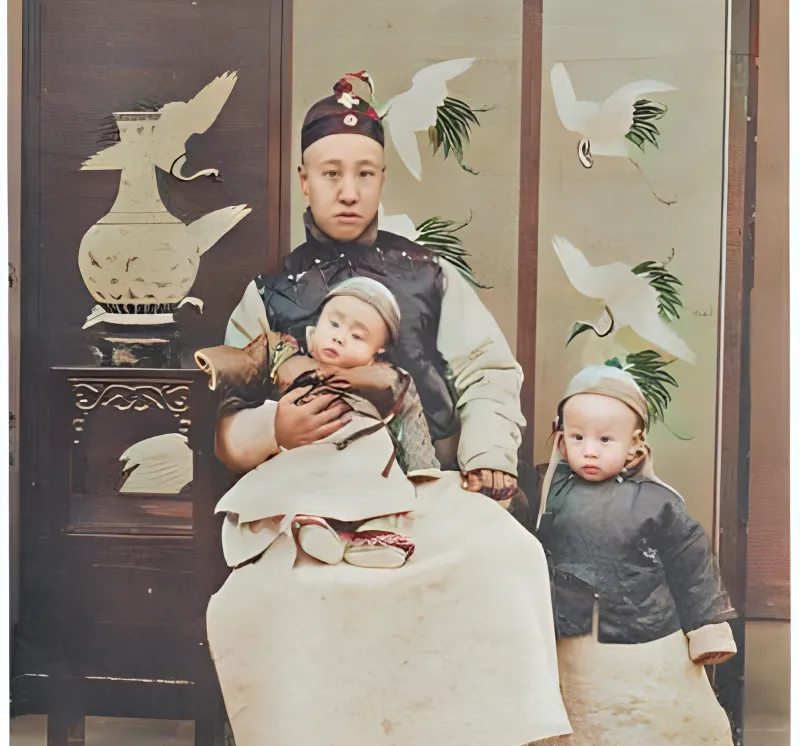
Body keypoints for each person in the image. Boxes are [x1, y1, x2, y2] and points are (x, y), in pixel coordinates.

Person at [199, 72, 571, 746]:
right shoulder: (269, 293)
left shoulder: (429, 275)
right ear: (304, 182)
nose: (349, 190)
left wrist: (488, 456)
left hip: (423, 485)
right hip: (309, 499)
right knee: (273, 600)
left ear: (381, 181)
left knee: (508, 554)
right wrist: (274, 427)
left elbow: (486, 370)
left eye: (365, 173)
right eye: (331, 173)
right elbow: (226, 414)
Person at [535, 365, 736, 746]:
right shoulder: (545, 492)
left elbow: (691, 562)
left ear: (635, 444)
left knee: (652, 722)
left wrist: (707, 628)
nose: (589, 450)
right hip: (568, 638)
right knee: (579, 723)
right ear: (560, 440)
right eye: (577, 437)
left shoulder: (657, 501)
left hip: (645, 636)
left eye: (605, 439)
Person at [199, 276, 441, 570]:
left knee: (378, 489)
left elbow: (410, 415)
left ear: (377, 350)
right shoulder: (285, 353)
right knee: (285, 487)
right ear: (318, 321)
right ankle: (309, 525)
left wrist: (421, 469)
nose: (339, 337)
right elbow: (246, 361)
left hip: (358, 454)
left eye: (357, 336)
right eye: (334, 324)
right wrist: (217, 364)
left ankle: (360, 538)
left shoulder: (383, 379)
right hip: (299, 449)